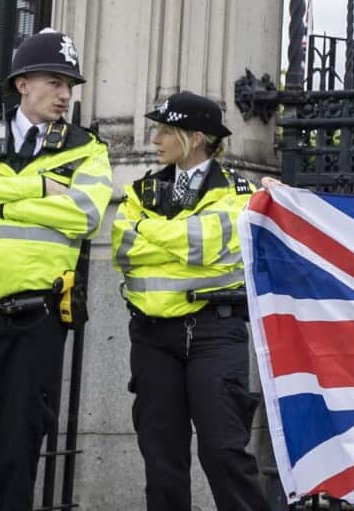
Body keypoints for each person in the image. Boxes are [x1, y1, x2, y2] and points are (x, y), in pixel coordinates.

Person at [0, 29, 112, 510]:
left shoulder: (87, 149)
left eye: (70, 84)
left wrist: (2, 202)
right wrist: (43, 191)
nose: (65, 94)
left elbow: (86, 214)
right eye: (55, 81)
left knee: (17, 449)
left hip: (37, 320)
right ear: (22, 84)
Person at [111, 92, 265, 511]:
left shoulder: (239, 190)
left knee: (224, 452)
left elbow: (209, 244)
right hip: (152, 335)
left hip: (215, 332)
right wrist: (181, 237)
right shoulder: (142, 188)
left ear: (195, 137)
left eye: (165, 129)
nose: (155, 137)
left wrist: (153, 233)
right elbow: (123, 247)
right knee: (161, 458)